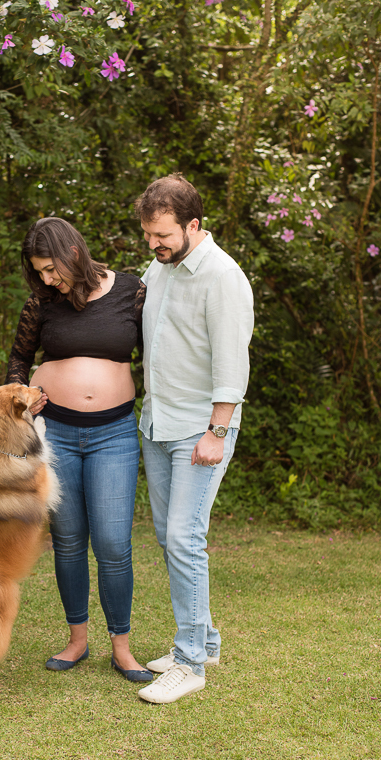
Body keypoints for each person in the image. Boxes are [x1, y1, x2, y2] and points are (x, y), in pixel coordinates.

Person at [5, 216, 152, 682]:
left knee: (112, 542)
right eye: (39, 272)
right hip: (58, 435)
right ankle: (76, 641)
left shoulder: (133, 292)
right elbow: (18, 361)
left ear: (72, 253)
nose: (47, 279)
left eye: (51, 268)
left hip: (114, 434)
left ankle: (123, 648)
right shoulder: (42, 303)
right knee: (68, 541)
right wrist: (22, 402)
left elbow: (159, 353)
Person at [134, 174, 254, 704]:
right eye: (148, 236)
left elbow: (233, 360)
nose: (154, 245)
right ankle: (205, 638)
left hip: (199, 433)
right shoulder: (160, 269)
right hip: (157, 424)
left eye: (163, 235)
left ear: (193, 225)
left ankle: (190, 663)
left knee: (184, 538)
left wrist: (217, 431)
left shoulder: (223, 277)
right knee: (170, 537)